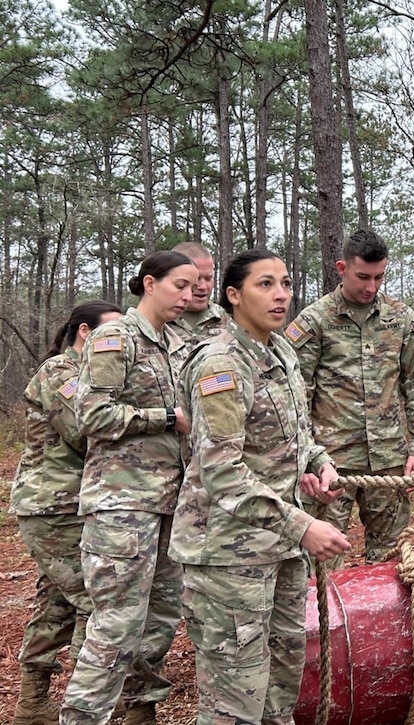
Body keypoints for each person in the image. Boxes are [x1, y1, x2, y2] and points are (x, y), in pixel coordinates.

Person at [170, 249, 350, 725]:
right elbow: (222, 471)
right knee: (235, 697)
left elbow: (298, 435)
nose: (281, 295)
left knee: (281, 685)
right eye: (265, 284)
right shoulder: (221, 365)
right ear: (233, 296)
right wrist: (302, 525)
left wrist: (320, 464)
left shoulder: (281, 351)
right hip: (227, 554)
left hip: (279, 548)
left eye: (286, 284)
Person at [61, 251, 198, 725]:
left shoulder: (177, 343)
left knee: (160, 622)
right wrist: (162, 418)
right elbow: (91, 415)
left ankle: (140, 714)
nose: (188, 295)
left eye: (195, 285)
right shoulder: (114, 337)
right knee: (116, 625)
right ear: (149, 283)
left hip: (169, 504)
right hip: (123, 503)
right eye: (180, 285)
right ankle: (81, 718)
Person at [287, 227, 414, 566]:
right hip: (331, 464)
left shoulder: (401, 320)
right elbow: (296, 398)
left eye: (379, 277)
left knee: (392, 561)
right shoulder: (315, 322)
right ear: (342, 269)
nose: (371, 287)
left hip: (387, 461)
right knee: (320, 565)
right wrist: (306, 462)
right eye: (363, 277)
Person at [10, 301, 123, 725]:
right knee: (97, 602)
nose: (117, 343)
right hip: (53, 506)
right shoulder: (61, 373)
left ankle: (32, 706)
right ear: (83, 332)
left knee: (57, 603)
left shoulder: (94, 376)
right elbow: (85, 431)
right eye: (110, 334)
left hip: (75, 504)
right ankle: (89, 706)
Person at [168, 242, 227, 347]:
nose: (203, 286)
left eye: (208, 278)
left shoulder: (229, 321)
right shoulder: (157, 322)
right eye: (197, 278)